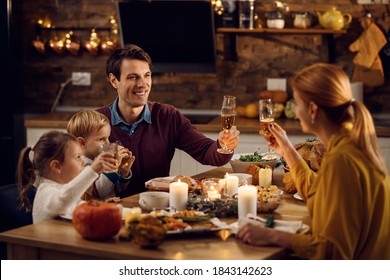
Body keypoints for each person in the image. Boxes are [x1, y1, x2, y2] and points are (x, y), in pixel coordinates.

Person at [237, 63, 390, 259]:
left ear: (312, 109)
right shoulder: (349, 142)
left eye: (298, 103)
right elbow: (317, 192)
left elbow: (333, 252)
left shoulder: (342, 160)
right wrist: (287, 150)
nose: (296, 110)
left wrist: (274, 236)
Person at [96, 44, 240, 196]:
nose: (142, 84)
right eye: (132, 77)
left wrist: (224, 146)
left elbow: (206, 152)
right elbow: (81, 181)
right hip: (113, 211)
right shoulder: (95, 122)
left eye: (147, 75)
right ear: (113, 80)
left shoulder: (167, 116)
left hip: (160, 208)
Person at [17, 130, 118, 224]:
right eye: (78, 157)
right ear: (57, 166)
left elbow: (78, 207)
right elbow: (63, 200)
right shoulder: (45, 191)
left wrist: (101, 205)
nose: (83, 161)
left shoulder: (63, 189)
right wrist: (92, 170)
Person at [67, 110, 135, 201]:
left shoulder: (100, 160)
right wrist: (113, 166)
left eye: (108, 138)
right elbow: (100, 191)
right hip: (92, 212)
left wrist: (123, 172)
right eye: (102, 139)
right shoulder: (79, 165)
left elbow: (117, 190)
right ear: (82, 143)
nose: (108, 143)